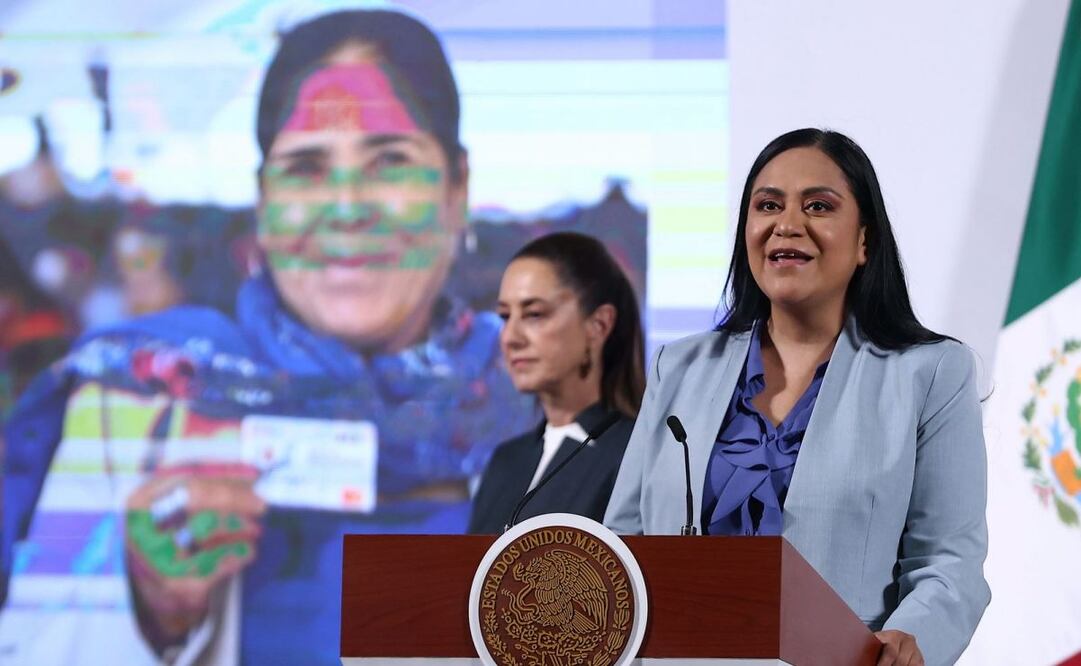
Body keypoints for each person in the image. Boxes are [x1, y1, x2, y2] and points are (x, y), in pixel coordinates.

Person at [0, 10, 532, 665]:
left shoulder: (559, 414)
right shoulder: (134, 405)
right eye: (306, 167)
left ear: (457, 190)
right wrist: (148, 606)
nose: (345, 205)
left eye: (390, 161)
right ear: (263, 204)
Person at [604, 129, 990, 666]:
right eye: (768, 205)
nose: (787, 224)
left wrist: (911, 637)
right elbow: (623, 542)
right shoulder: (681, 368)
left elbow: (948, 560)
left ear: (864, 243)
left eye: (818, 205)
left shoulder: (929, 374)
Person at [468, 232, 645, 534]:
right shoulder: (505, 461)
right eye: (504, 316)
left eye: (534, 314)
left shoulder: (638, 456)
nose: (510, 338)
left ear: (598, 325)